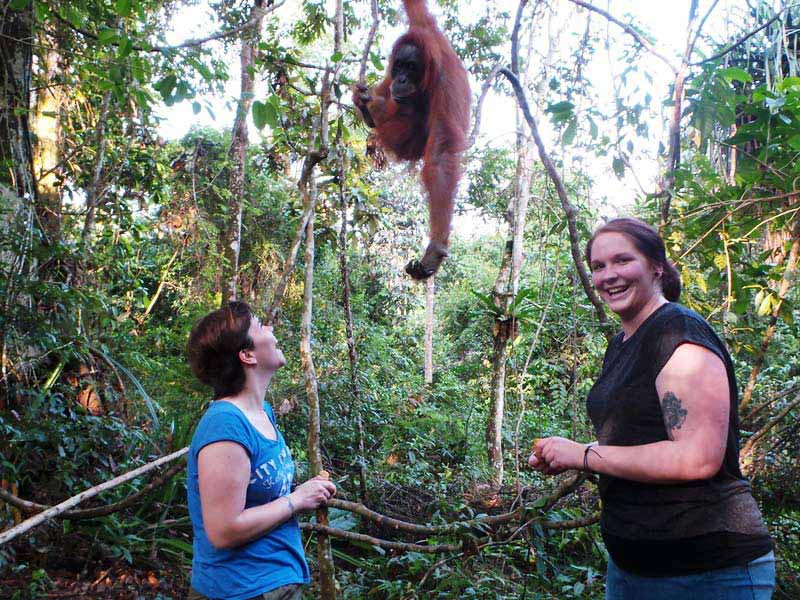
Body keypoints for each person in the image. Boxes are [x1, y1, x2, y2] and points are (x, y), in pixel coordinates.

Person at [529, 218, 774, 599]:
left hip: (706, 571)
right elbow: (635, 442)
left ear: (656, 266)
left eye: (622, 260)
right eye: (598, 266)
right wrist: (568, 453)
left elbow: (696, 458)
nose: (609, 275)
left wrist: (583, 455)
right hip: (631, 568)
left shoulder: (677, 333)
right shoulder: (622, 343)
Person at [185, 301, 336, 600]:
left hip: (274, 582)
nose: (270, 327)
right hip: (240, 590)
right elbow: (224, 530)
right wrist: (297, 499)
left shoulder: (263, 412)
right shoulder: (225, 425)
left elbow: (261, 495)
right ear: (247, 355)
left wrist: (306, 491)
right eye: (259, 324)